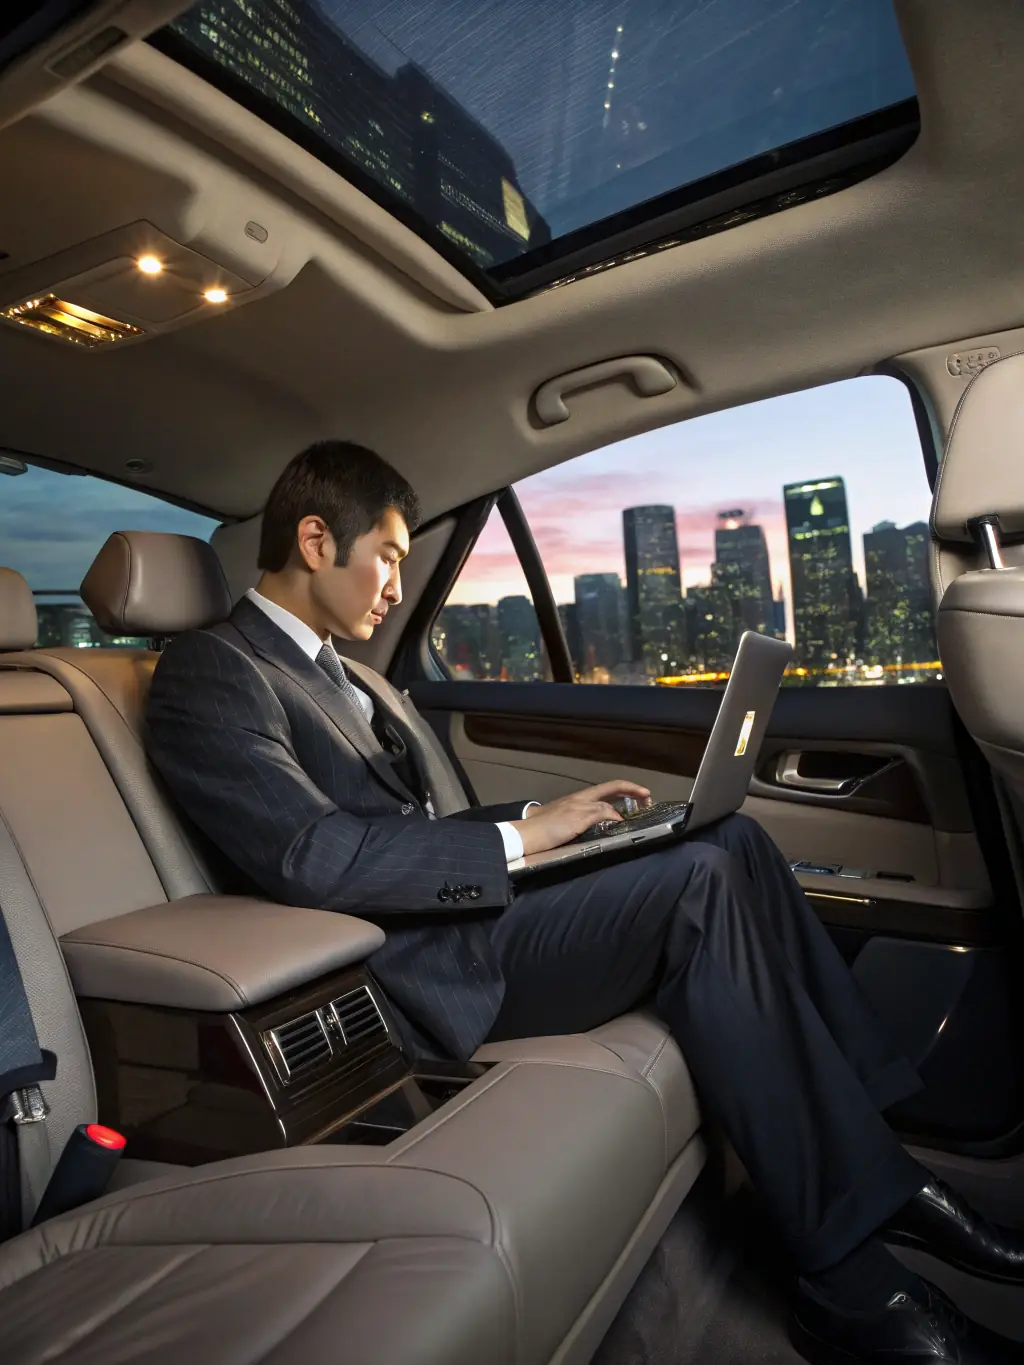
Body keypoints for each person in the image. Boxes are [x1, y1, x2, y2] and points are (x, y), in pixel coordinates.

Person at [146, 441, 1024, 1365]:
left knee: (732, 839)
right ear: (317, 541)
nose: (398, 587)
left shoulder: (344, 673)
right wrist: (526, 843)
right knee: (696, 886)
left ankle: (882, 1169)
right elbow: (313, 855)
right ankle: (848, 1285)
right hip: (406, 969)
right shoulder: (213, 670)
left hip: (452, 916)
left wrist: (543, 818)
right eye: (391, 556)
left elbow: (408, 826)